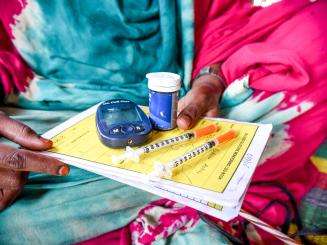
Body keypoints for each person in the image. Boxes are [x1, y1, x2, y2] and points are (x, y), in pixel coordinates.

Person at [0, 0, 326, 244]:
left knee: (317, 34)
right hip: (45, 104)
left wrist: (213, 77)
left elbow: (223, 13)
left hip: (196, 87)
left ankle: (218, 186)